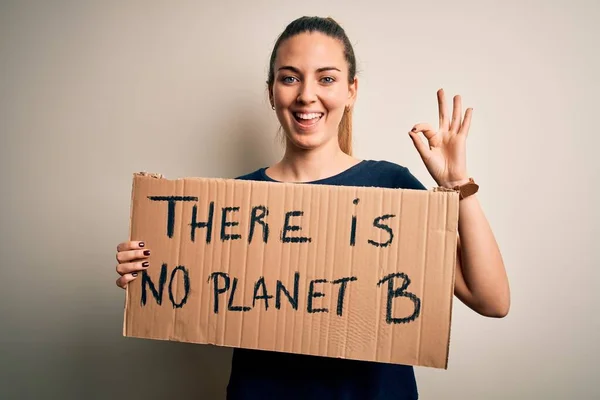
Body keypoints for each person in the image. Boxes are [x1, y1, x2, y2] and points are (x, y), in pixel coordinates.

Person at [114, 16, 510, 400]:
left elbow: (491, 300)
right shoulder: (234, 203)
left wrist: (457, 184)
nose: (306, 94)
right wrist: (148, 268)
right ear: (271, 92)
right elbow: (188, 290)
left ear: (351, 90)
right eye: (290, 78)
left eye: (326, 78)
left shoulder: (391, 187)